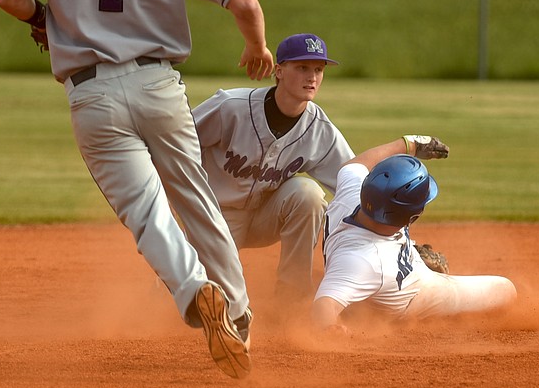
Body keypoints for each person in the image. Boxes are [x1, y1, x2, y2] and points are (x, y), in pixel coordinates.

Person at [0, 0, 274, 379]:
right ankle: (237, 313)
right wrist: (257, 47)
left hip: (92, 94)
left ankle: (196, 292)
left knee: (147, 213)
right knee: (196, 200)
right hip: (159, 85)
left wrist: (40, 16)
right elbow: (245, 1)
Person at [192, 33, 450, 302]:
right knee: (185, 303)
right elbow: (175, 144)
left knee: (308, 195)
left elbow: (362, 189)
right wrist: (168, 211)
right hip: (213, 217)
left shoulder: (318, 129)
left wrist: (406, 245)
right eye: (302, 67)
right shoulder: (231, 107)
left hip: (265, 217)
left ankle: (291, 300)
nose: (312, 77)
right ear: (279, 71)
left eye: (318, 69)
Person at [312, 137, 517, 332]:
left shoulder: (351, 191)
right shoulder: (364, 261)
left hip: (369, 269)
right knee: (506, 290)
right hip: (416, 295)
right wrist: (330, 329)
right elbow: (324, 306)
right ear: (413, 217)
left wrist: (410, 144)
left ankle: (408, 257)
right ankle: (375, 296)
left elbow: (354, 165)